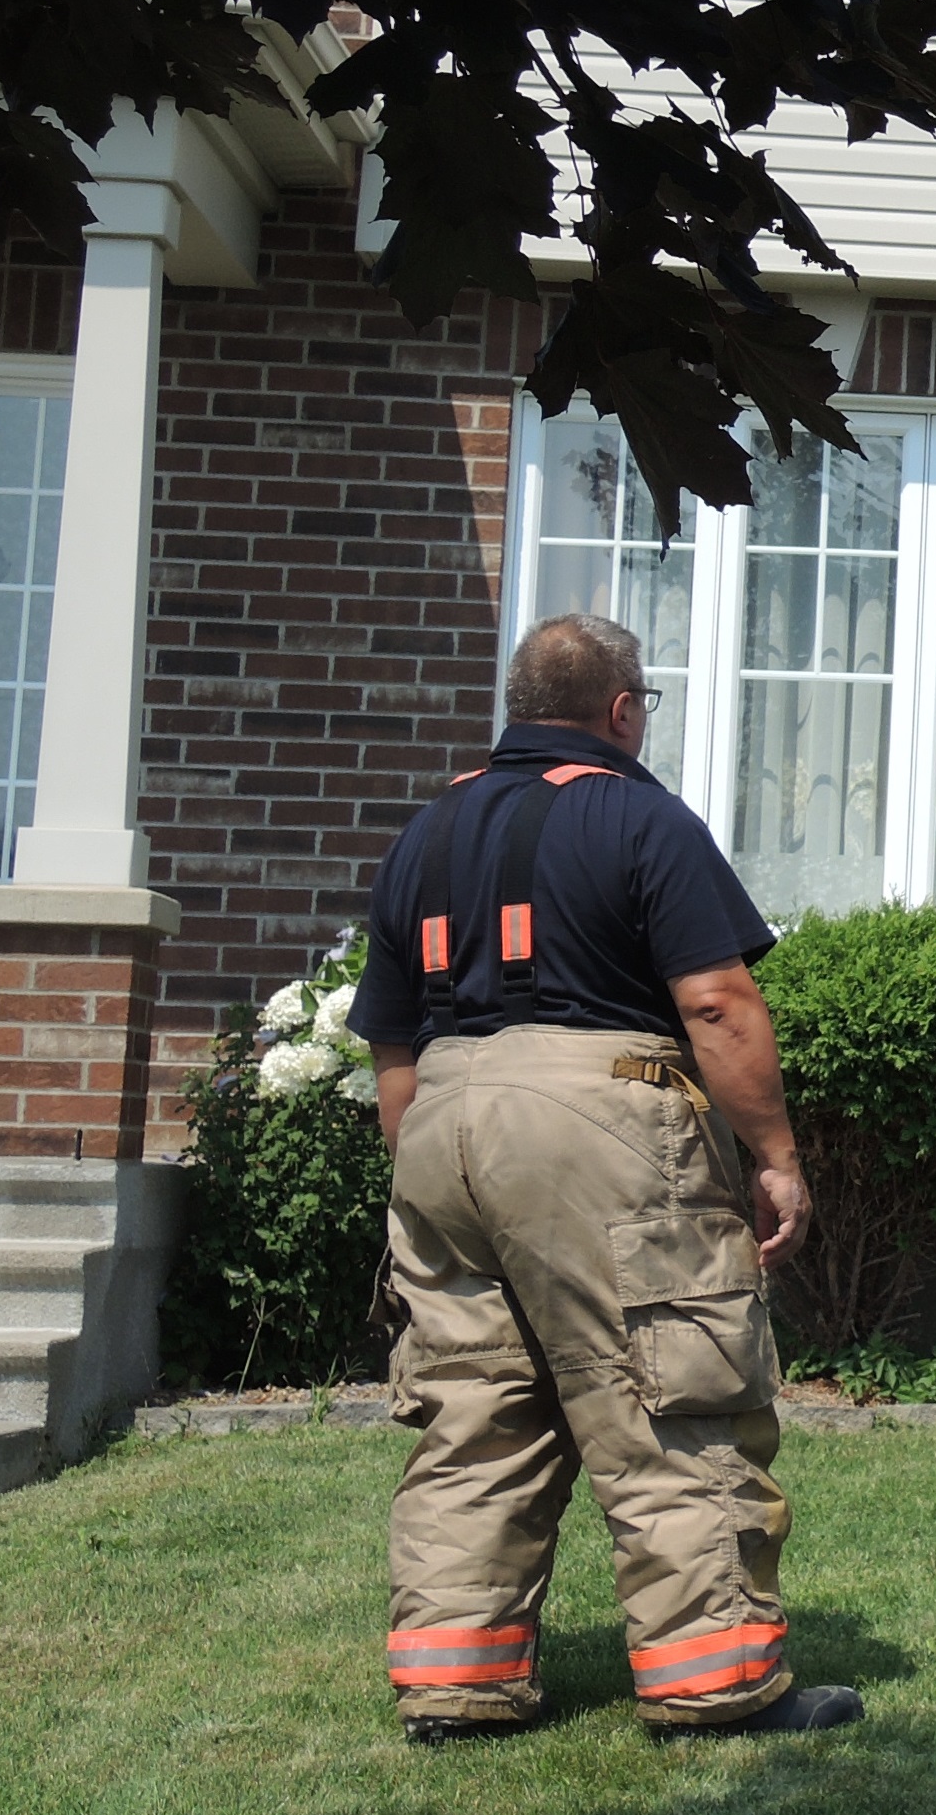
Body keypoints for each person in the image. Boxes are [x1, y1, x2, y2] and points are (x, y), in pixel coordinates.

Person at [347, 614, 861, 1744]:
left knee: (472, 1412)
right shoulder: (640, 814)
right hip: (599, 1121)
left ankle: (455, 1684)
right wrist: (776, 1157)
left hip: (439, 1118)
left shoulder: (424, 833)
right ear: (623, 709)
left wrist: (432, 1172)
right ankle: (715, 1684)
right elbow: (717, 1001)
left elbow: (390, 1045)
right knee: (672, 1395)